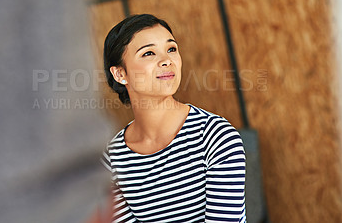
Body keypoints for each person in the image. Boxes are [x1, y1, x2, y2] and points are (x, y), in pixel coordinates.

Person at [100, 14, 246, 222]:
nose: (167, 61)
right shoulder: (110, 161)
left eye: (171, 49)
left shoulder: (216, 137)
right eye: (149, 53)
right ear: (120, 74)